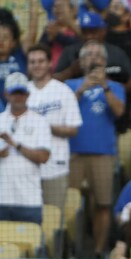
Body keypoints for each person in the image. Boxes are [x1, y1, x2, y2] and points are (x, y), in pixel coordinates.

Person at [66, 41, 125, 257]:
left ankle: (99, 250)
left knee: (102, 203)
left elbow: (119, 112)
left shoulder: (115, 86)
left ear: (105, 62)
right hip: (74, 154)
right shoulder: (70, 85)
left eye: (98, 55)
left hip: (103, 154)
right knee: (72, 205)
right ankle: (72, 248)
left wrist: (105, 87)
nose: (94, 59)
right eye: (89, 55)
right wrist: (82, 89)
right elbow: (63, 111)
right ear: (81, 62)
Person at [25, 44, 81, 226]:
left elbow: (73, 129)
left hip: (55, 167)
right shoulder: (21, 93)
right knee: (31, 222)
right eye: (32, 62)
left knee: (54, 222)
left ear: (50, 63)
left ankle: (58, 254)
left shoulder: (63, 91)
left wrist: (44, 125)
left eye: (41, 61)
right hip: (26, 171)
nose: (37, 65)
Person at [0, 72, 51, 224]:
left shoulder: (40, 122)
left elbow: (43, 157)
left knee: (32, 245)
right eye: (14, 93)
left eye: (21, 93)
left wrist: (15, 144)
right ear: (6, 94)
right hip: (2, 199)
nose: (18, 97)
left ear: (28, 94)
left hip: (29, 200)